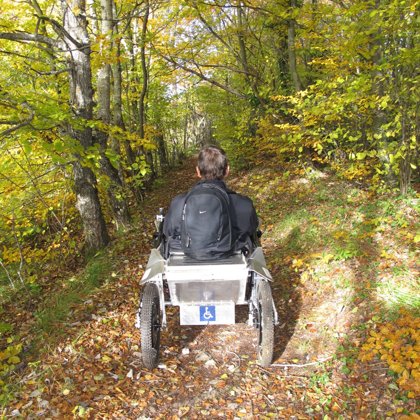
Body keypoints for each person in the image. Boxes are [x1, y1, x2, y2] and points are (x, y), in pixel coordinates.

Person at [162, 145, 259, 257]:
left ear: (198, 171)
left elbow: (168, 232)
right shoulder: (244, 205)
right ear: (227, 170)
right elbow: (251, 229)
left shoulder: (178, 203)